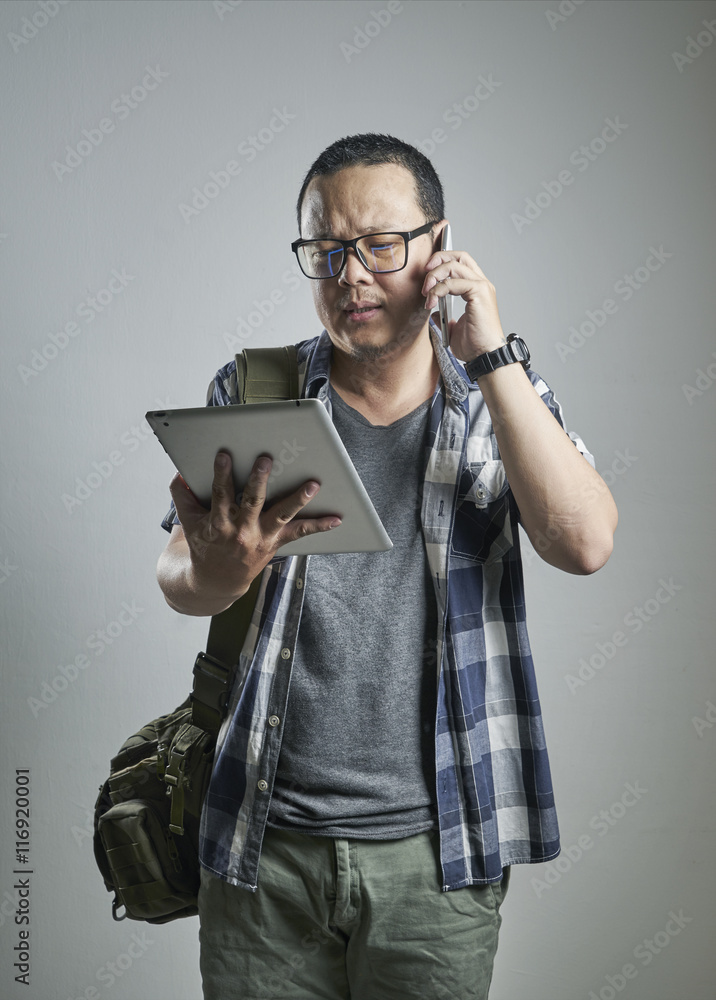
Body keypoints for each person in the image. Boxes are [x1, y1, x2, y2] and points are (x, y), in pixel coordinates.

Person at [156, 133, 618, 1000]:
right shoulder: (255, 389)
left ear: (439, 247)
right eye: (325, 250)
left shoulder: (496, 398)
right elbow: (182, 579)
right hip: (263, 846)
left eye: (379, 244)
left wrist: (490, 356)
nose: (350, 273)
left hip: (440, 853)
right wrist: (221, 569)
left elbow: (584, 544)